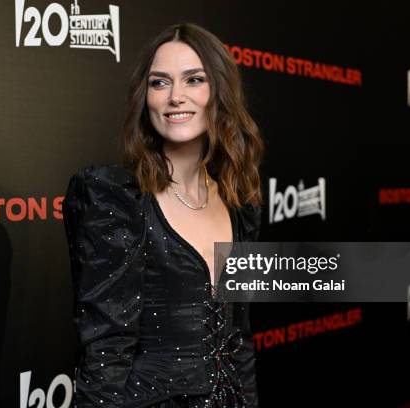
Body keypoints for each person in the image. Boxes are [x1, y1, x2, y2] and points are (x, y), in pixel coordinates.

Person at [63, 23, 264, 407]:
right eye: (159, 83)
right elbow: (105, 351)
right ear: (145, 99)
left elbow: (239, 340)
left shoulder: (241, 206)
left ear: (219, 92)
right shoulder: (115, 200)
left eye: (193, 80)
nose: (175, 97)